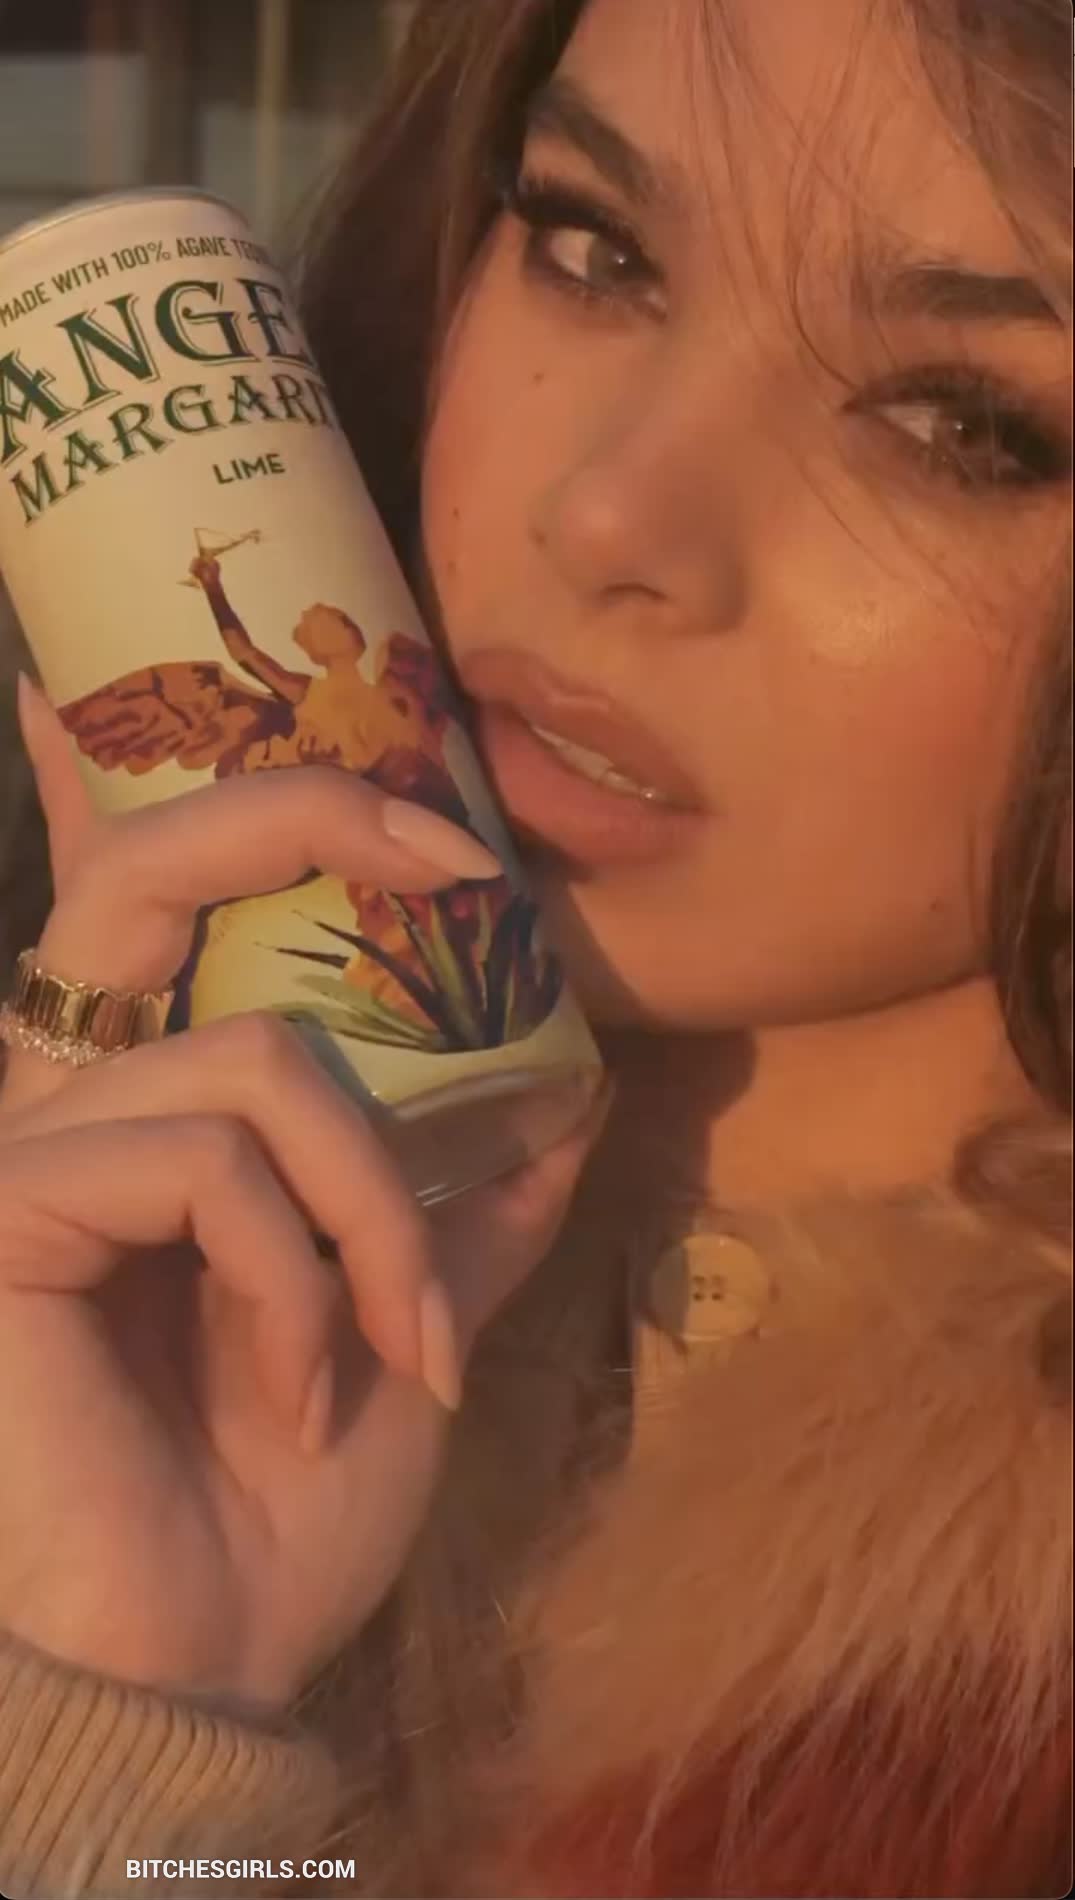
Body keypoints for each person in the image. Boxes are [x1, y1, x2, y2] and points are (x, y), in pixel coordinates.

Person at [0, 0, 1070, 1894]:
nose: (605, 514)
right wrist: (108, 1707)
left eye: (960, 426)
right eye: (595, 247)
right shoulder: (94, 1257)